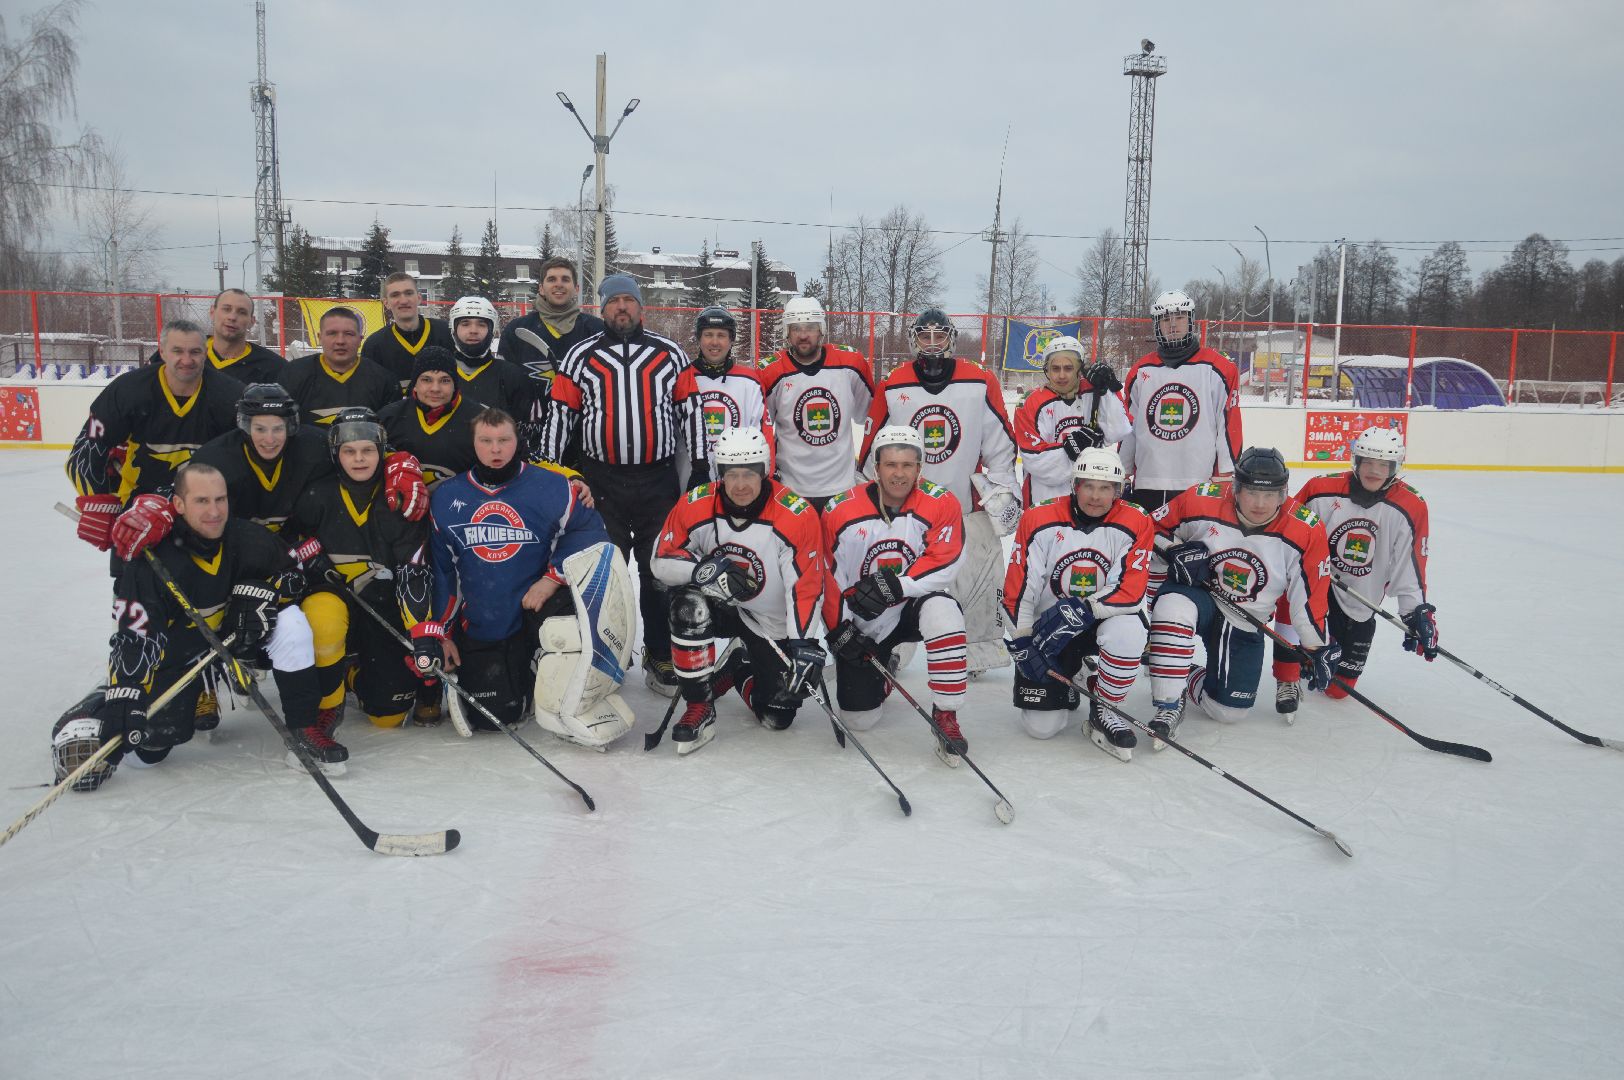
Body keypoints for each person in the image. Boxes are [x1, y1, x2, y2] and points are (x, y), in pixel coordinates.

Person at [51, 461, 334, 792]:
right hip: (178, 654)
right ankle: (100, 703)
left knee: (291, 621)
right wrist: (126, 689)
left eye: (220, 499)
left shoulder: (247, 538)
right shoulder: (152, 559)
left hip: (233, 640)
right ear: (179, 504)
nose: (214, 511)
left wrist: (263, 593)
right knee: (149, 752)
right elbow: (136, 633)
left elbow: (293, 572)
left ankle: (303, 729)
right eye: (202, 501)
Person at [420, 408, 631, 745]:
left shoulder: (551, 486)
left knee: (565, 631)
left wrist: (552, 578)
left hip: (537, 609)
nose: (495, 449)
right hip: (485, 619)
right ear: (473, 444)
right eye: (486, 441)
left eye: (504, 440)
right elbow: (444, 572)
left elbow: (590, 534)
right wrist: (443, 633)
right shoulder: (447, 497)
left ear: (516, 441)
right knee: (494, 717)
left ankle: (566, 674)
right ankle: (523, 676)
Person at [539, 273, 691, 696]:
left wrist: (697, 467)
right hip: (600, 482)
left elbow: (690, 413)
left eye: (629, 300)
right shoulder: (579, 356)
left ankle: (659, 653)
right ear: (601, 309)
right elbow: (559, 417)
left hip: (657, 480)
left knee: (658, 572)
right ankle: (606, 654)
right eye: (614, 301)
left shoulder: (670, 354)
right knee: (603, 574)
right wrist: (551, 471)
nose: (622, 307)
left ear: (641, 308)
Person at [858, 308, 1020, 673]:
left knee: (977, 574)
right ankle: (896, 643)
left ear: (950, 337)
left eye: (939, 335)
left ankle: (977, 651)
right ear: (915, 339)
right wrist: (872, 498)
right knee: (908, 578)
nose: (932, 343)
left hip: (967, 501)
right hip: (911, 505)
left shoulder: (980, 380)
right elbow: (873, 447)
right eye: (925, 335)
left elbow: (999, 443)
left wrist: (1004, 488)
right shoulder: (894, 383)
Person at [651, 428, 827, 752]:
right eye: (732, 474)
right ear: (720, 473)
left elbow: (805, 587)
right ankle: (698, 705)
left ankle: (736, 668)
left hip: (768, 620)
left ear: (765, 471)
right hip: (719, 604)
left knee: (777, 717)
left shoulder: (795, 514)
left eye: (750, 474)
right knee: (688, 607)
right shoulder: (696, 503)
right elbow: (660, 561)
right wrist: (701, 570)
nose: (741, 484)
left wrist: (803, 643)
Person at [1144, 446, 1334, 746]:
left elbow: (1309, 598)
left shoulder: (1306, 529)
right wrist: (1173, 549)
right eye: (1251, 493)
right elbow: (1147, 528)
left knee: (1228, 711)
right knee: (1172, 609)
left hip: (1246, 618)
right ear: (1235, 488)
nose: (1260, 503)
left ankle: (1176, 673)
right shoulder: (1202, 498)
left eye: (1270, 495)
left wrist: (1315, 647)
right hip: (1197, 594)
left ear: (1284, 493)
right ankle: (1168, 704)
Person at [820, 425, 969, 758]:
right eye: (890, 465)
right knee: (860, 720)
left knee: (945, 612)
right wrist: (839, 631)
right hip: (863, 620)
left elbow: (946, 559)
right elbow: (827, 576)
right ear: (876, 467)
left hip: (912, 608)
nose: (899, 474)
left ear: (920, 468)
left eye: (907, 465)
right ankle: (886, 669)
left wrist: (896, 585)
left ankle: (946, 712)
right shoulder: (838, 509)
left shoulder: (941, 502)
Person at [287, 408, 435, 730]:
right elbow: (288, 541)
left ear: (381, 451)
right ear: (335, 454)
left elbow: (414, 567)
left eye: (367, 450)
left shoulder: (398, 497)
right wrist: (306, 557)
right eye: (349, 451)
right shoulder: (317, 494)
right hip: (333, 597)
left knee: (389, 717)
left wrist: (421, 630)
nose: (359, 459)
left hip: (382, 607)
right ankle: (327, 701)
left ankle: (352, 673)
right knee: (323, 621)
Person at [1002, 448, 1154, 761]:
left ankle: (1106, 705)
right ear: (1075, 485)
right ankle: (1078, 674)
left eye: (1105, 488)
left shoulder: (1136, 521)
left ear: (1118, 491)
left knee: (1129, 631)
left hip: (1105, 617)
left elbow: (1131, 590)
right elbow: (1019, 586)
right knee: (1041, 728)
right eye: (1088, 486)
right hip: (1051, 627)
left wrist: (1084, 609)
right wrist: (1023, 638)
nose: (1095, 496)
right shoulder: (1038, 517)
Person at [1270, 426, 1435, 714]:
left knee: (1337, 690)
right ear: (1355, 461)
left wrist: (1416, 612)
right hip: (1316, 585)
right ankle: (1289, 674)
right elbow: (1285, 533)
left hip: (1361, 598)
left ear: (1395, 467)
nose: (1374, 470)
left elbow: (1411, 564)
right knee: (1291, 597)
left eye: (1384, 464)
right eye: (1368, 462)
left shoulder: (1411, 505)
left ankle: (1315, 656)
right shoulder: (1320, 489)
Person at [67, 319, 245, 554]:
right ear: (162, 351)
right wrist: (99, 504)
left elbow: (244, 461)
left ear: (206, 353)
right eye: (177, 351)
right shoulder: (127, 390)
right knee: (130, 589)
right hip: (136, 515)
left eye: (195, 352)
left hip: (205, 515)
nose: (187, 360)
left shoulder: (230, 395)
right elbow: (87, 449)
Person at [1118, 290, 1243, 515]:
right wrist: (1122, 470)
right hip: (1149, 481)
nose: (1173, 325)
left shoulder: (1219, 369)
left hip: (1199, 481)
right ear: (1157, 324)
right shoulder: (1140, 371)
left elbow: (1228, 426)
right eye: (1166, 319)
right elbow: (1129, 428)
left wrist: (1225, 475)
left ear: (1191, 321)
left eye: (1180, 318)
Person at [759, 296, 874, 510]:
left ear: (821, 329)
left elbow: (870, 418)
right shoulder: (771, 371)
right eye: (796, 329)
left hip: (842, 488)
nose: (803, 335)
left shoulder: (851, 364)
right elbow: (760, 428)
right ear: (787, 332)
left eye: (810, 327)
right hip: (790, 489)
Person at [1012, 334, 1131, 506]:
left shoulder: (1093, 391)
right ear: (1046, 369)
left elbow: (1119, 430)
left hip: (1091, 496)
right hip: (1044, 497)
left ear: (1079, 368)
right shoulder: (1029, 402)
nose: (1061, 375)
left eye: (1068, 368)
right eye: (1055, 368)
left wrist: (1107, 391)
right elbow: (1034, 459)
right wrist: (1074, 450)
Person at [498, 255, 606, 442]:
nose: (559, 284)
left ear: (576, 288)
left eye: (565, 279)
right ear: (541, 288)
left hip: (584, 439)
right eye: (551, 279)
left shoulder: (596, 330)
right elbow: (502, 386)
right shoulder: (517, 330)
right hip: (529, 438)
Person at [674, 305, 774, 487]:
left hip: (738, 484)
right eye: (708, 334)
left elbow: (763, 436)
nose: (714, 342)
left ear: (731, 340)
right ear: (698, 338)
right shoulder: (682, 378)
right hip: (689, 480)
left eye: (721, 335)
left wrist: (766, 477)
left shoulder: (749, 381)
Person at [377, 346, 480, 488]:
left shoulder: (480, 420)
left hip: (459, 506)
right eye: (426, 380)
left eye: (444, 380)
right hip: (403, 507)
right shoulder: (388, 418)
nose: (435, 388)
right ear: (415, 384)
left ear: (455, 385)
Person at [142, 289, 285, 384]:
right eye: (226, 309)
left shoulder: (273, 367)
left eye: (242, 312)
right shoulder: (178, 354)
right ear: (212, 312)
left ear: (252, 321)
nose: (232, 317)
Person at [446, 295, 535, 426]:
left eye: (481, 324)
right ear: (453, 329)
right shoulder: (440, 374)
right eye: (465, 324)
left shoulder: (512, 376)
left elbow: (524, 430)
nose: (473, 331)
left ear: (492, 330)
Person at [361, 272, 455, 392]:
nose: (404, 300)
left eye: (409, 293)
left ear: (419, 298)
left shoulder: (447, 333)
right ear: (386, 303)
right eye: (395, 295)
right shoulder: (374, 345)